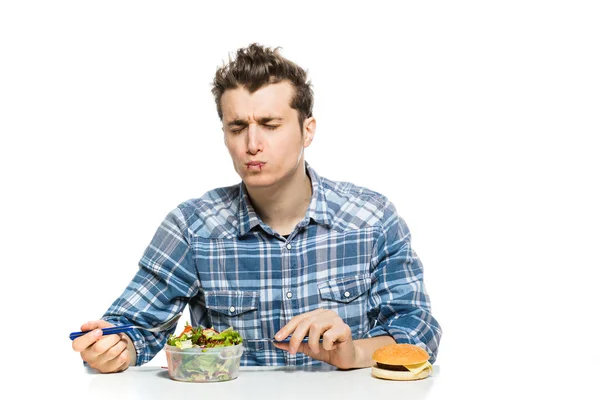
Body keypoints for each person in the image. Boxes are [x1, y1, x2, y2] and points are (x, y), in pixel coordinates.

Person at [72, 43, 442, 373]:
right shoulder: (191, 227)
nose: (252, 144)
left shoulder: (372, 219)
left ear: (307, 130)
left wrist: (353, 354)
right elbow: (132, 327)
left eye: (269, 124)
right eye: (237, 127)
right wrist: (112, 348)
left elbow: (416, 329)